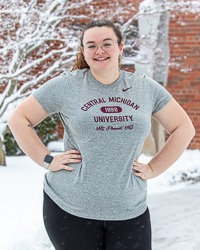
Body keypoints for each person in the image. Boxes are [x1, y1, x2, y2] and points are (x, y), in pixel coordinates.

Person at [8, 20, 195, 250]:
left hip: (129, 209)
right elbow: (18, 119)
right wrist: (47, 159)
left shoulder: (143, 88)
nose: (100, 51)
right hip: (70, 208)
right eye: (91, 45)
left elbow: (183, 128)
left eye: (107, 43)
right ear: (83, 51)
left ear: (121, 47)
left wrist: (154, 168)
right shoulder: (67, 85)